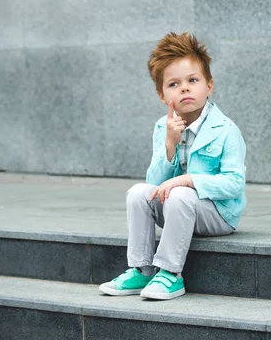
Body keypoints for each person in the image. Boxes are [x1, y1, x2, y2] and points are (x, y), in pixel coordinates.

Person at [99, 32, 246, 300]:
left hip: (218, 214)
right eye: (174, 84)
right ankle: (142, 269)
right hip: (177, 207)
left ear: (209, 86)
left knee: (180, 192)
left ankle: (169, 274)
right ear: (162, 95)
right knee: (138, 192)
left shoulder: (225, 129)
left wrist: (188, 180)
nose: (185, 88)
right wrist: (170, 144)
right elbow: (154, 183)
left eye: (193, 80)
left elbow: (234, 183)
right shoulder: (163, 127)